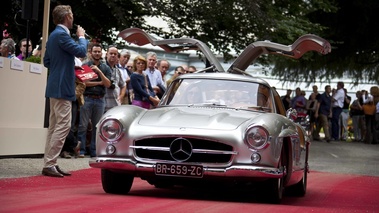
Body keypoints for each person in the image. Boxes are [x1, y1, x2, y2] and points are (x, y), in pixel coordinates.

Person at [42, 5, 88, 177]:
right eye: (72, 15)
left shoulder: (54, 35)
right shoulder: (61, 35)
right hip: (63, 87)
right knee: (63, 125)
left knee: (54, 127)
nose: (73, 18)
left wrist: (64, 64)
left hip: (54, 85)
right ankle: (50, 163)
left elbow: (47, 61)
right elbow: (82, 51)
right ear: (67, 16)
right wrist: (82, 37)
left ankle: (50, 162)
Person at [77, 43, 112, 158]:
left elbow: (108, 84)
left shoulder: (106, 67)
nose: (97, 53)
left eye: (99, 51)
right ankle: (81, 150)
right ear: (91, 53)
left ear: (101, 53)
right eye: (95, 51)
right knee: (83, 125)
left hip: (100, 100)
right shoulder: (85, 65)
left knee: (97, 127)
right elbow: (85, 84)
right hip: (87, 98)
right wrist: (99, 82)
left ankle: (94, 150)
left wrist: (99, 72)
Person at [104, 46, 126, 112]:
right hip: (103, 103)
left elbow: (123, 85)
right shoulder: (101, 67)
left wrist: (121, 96)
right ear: (106, 54)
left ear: (117, 56)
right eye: (111, 53)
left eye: (115, 54)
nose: (113, 55)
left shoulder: (117, 70)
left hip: (114, 104)